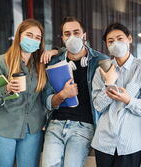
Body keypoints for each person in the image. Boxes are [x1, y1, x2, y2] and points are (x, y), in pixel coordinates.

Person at [41, 17, 108, 167]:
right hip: (55, 125)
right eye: (67, 34)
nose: (72, 37)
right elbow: (47, 102)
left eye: (76, 32)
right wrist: (63, 94)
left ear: (84, 35)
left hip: (83, 128)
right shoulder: (55, 61)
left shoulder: (100, 61)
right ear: (63, 38)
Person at [91, 23, 141, 167]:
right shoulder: (101, 71)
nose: (116, 43)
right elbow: (97, 106)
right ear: (107, 45)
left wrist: (129, 100)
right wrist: (109, 83)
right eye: (111, 41)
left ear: (130, 39)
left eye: (120, 38)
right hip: (104, 142)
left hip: (130, 143)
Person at [0, 19, 48, 167]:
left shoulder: (41, 66)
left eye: (37, 38)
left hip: (32, 130)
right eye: (29, 35)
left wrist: (54, 50)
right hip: (4, 128)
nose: (33, 40)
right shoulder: (1, 62)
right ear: (19, 35)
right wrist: (6, 89)